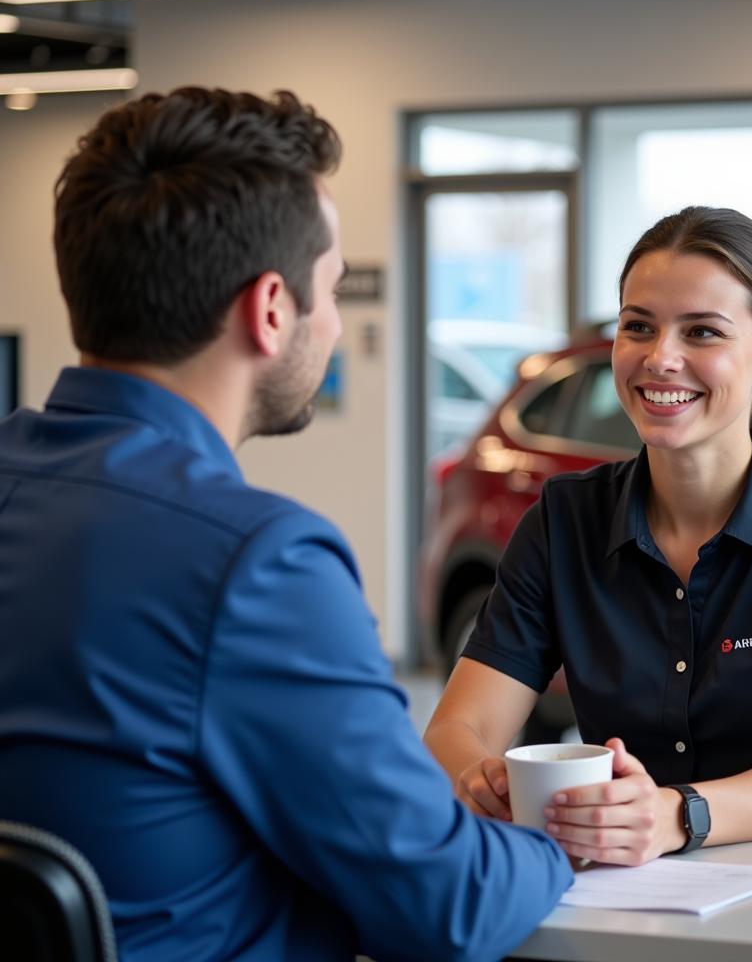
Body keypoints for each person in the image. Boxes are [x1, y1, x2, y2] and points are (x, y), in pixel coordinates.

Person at [0, 87, 572, 961]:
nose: (337, 325)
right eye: (332, 291)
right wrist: (560, 842)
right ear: (271, 310)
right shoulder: (252, 563)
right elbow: (449, 905)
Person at [424, 206, 752, 866]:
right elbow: (455, 730)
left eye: (702, 332)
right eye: (639, 326)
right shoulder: (564, 520)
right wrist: (481, 781)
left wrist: (677, 814)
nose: (661, 358)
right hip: (635, 887)